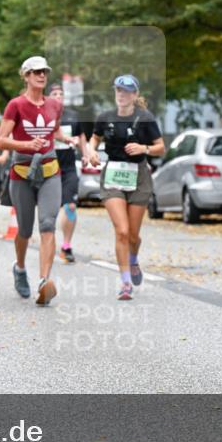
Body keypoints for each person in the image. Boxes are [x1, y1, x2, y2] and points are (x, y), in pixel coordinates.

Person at [86, 75, 165, 300]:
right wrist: (92, 151)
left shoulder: (145, 118)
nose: (122, 94)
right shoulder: (105, 117)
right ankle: (125, 282)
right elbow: (94, 139)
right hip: (113, 175)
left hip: (138, 177)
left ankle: (133, 259)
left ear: (135, 95)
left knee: (133, 236)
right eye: (119, 90)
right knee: (121, 231)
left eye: (127, 91)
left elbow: (161, 147)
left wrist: (144, 148)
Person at [0, 56, 63, 305]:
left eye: (44, 71)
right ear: (26, 76)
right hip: (22, 172)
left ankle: (44, 281)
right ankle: (20, 268)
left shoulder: (55, 105)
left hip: (50, 171)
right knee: (24, 230)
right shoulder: (16, 105)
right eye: (36, 72)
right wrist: (26, 145)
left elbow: (55, 131)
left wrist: (71, 140)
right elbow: (0, 140)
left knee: (47, 224)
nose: (41, 75)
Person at [49, 83, 88, 263]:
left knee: (70, 206)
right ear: (48, 97)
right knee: (50, 211)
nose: (58, 96)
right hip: (49, 168)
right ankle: (48, 241)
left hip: (69, 168)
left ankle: (66, 246)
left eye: (61, 94)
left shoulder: (72, 115)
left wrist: (85, 154)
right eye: (54, 94)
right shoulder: (44, 115)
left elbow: (81, 137)